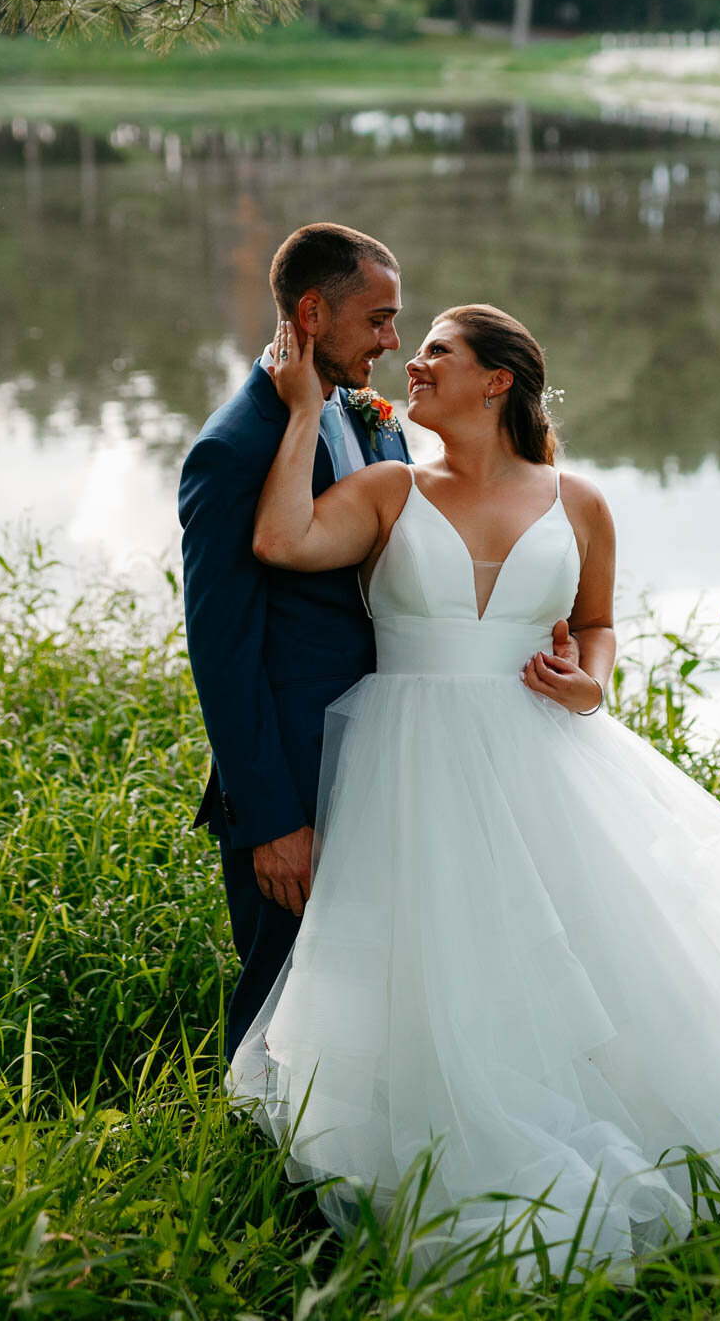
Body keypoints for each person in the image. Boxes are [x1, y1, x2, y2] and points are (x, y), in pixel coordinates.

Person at [227, 301, 720, 1282]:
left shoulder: (579, 502)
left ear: (499, 380)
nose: (415, 363)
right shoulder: (389, 486)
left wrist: (593, 680)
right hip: (411, 763)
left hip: (542, 754)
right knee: (437, 954)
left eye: (437, 349)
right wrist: (303, 408)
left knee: (600, 960)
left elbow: (598, 622)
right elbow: (280, 542)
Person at [178, 223, 410, 1057]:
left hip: (389, 759)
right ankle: (257, 1177)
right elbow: (222, 652)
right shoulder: (232, 450)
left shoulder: (374, 419)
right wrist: (270, 820)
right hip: (295, 782)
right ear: (312, 313)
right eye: (379, 319)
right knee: (283, 998)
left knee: (371, 990)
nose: (393, 340)